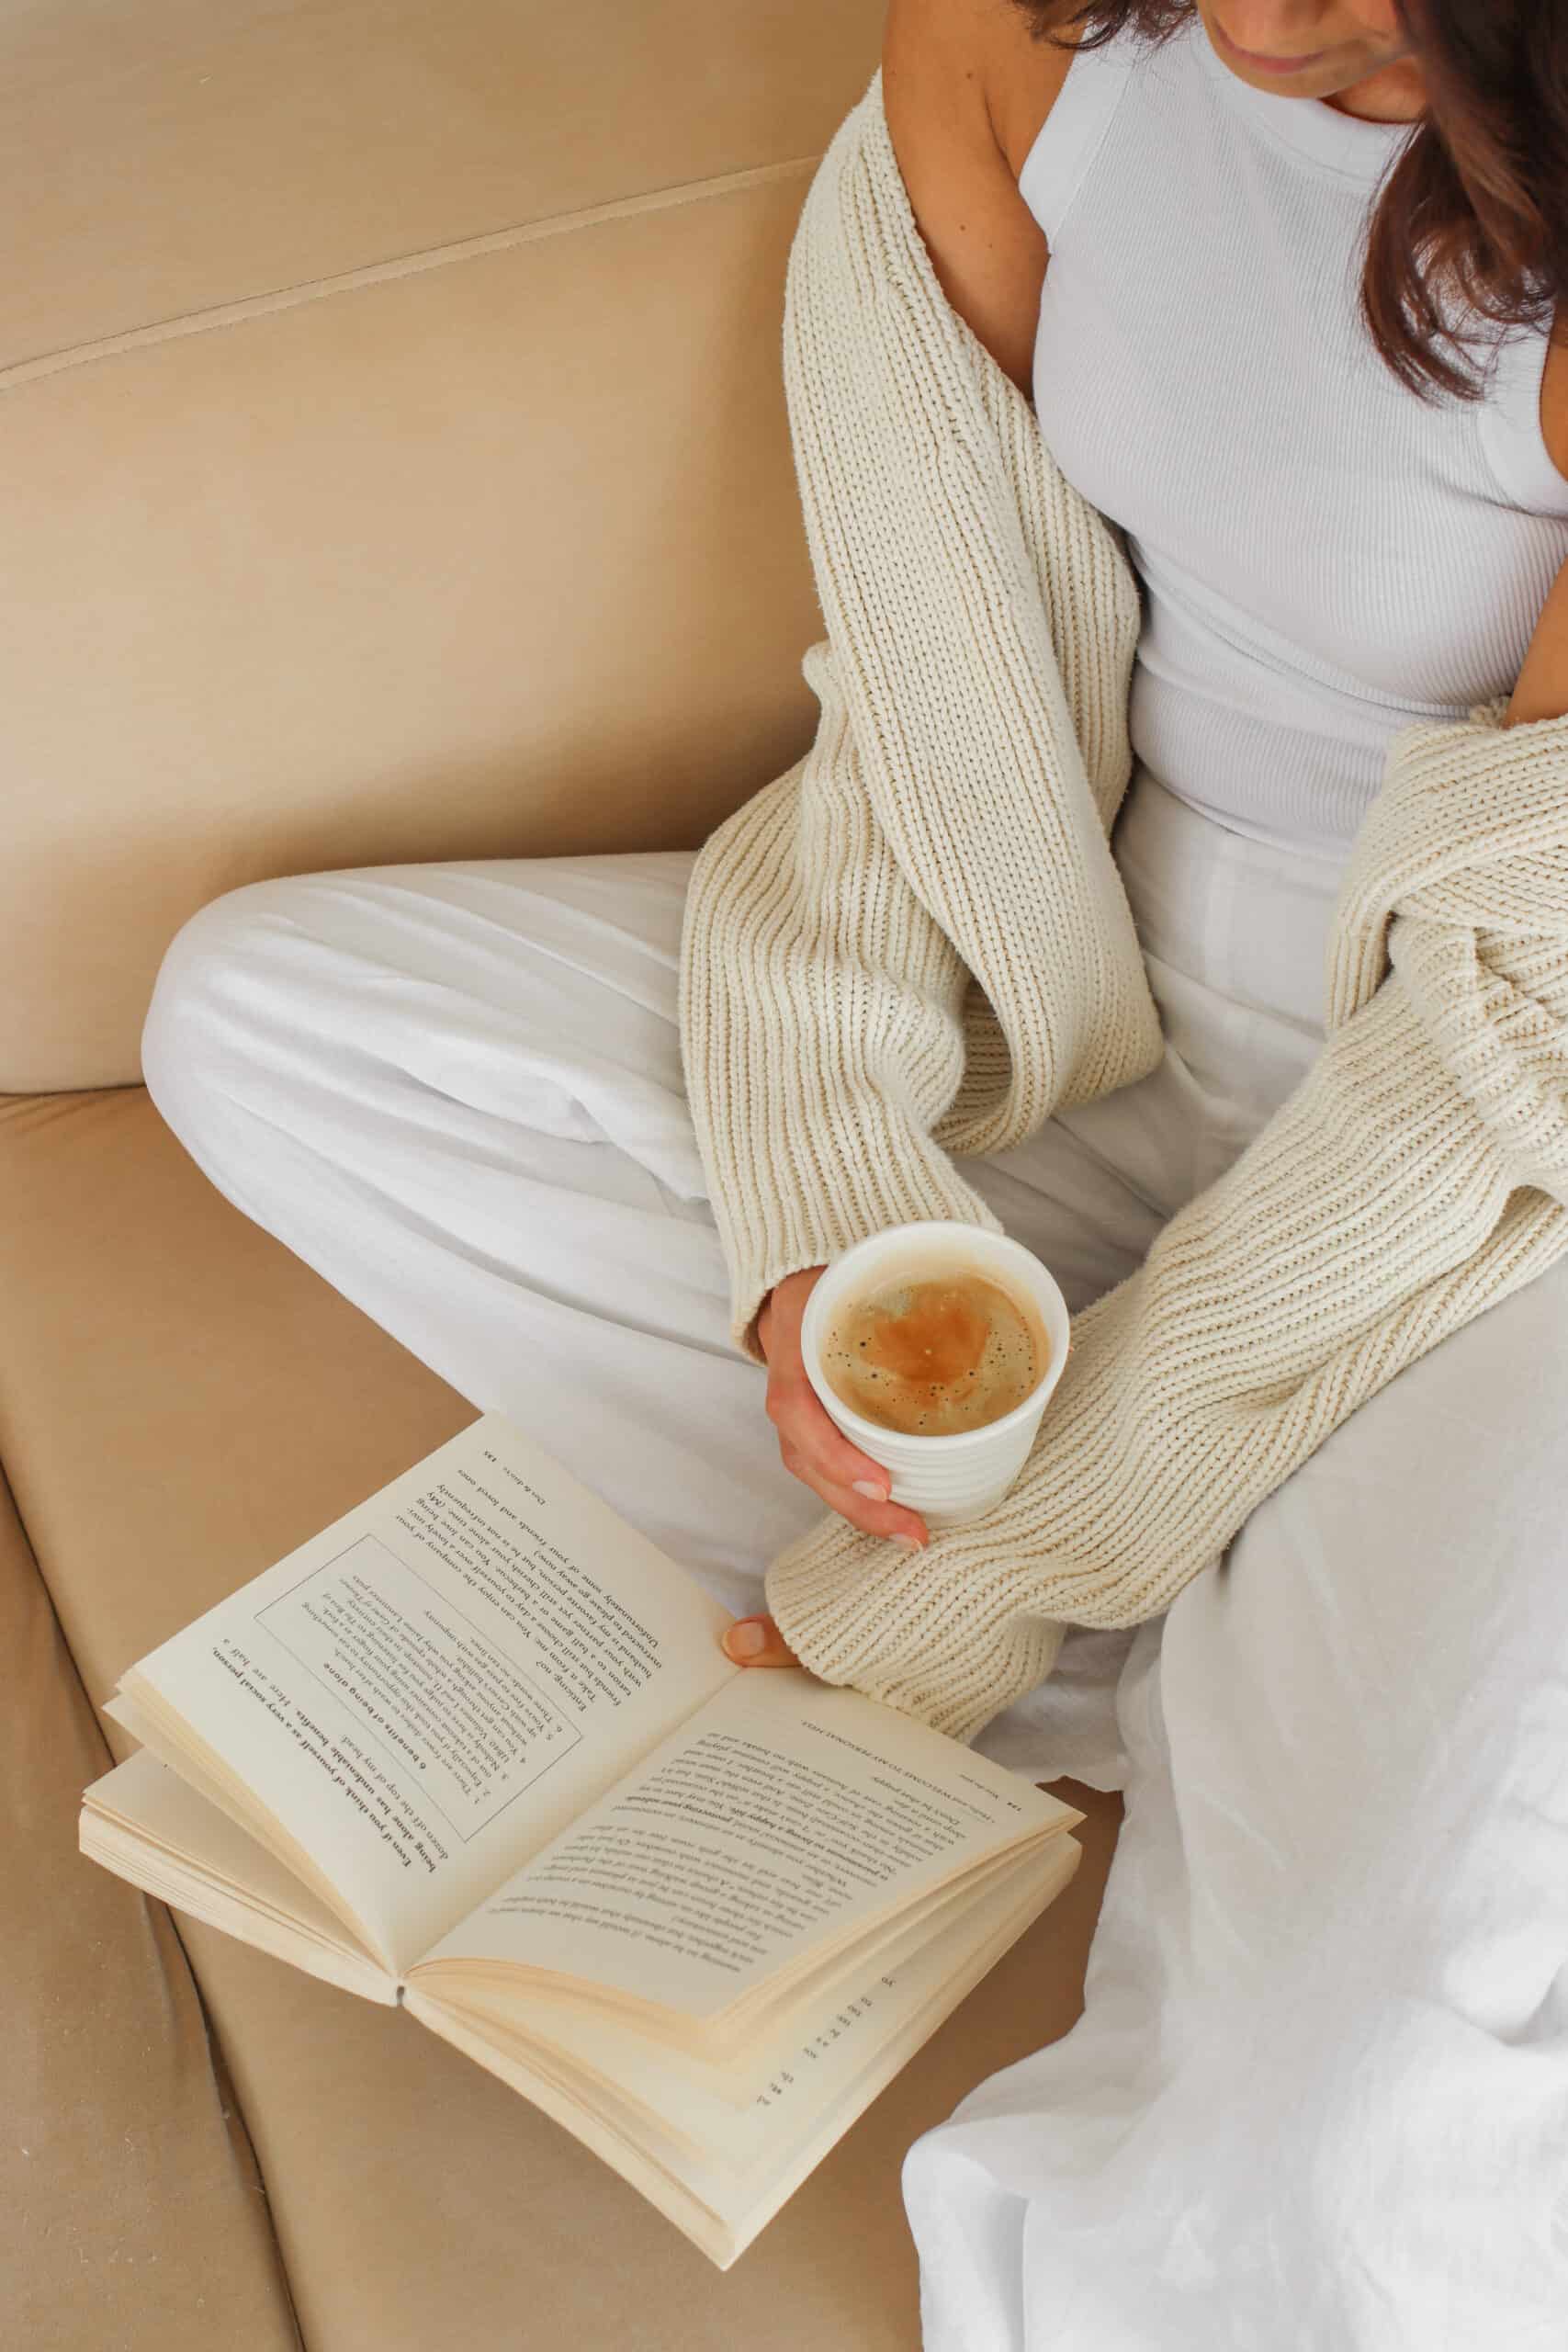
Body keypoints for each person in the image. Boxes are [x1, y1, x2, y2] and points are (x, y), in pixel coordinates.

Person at [140, 2, 1568, 2340]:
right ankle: (1213, 1620)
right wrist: (828, 1214)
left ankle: (1194, 1595)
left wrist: (965, 1564)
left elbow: (1502, 1057)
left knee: (1379, 2120)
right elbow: (938, 699)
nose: (1261, 18)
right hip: (1092, 986)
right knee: (261, 1017)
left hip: (1486, 1164)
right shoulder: (1016, 44)